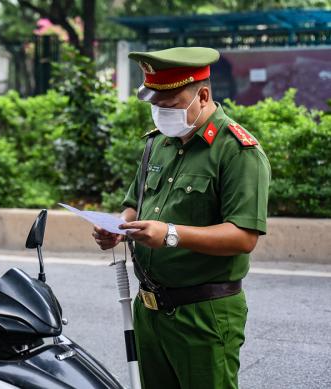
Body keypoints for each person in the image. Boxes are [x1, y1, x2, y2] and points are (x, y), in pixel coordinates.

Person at [93, 47, 271, 389]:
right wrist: (119, 227)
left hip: (204, 313)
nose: (160, 113)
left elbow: (244, 237)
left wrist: (171, 234)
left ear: (202, 96)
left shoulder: (237, 151)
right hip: (149, 309)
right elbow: (135, 203)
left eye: (169, 106)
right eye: (155, 105)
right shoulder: (158, 143)